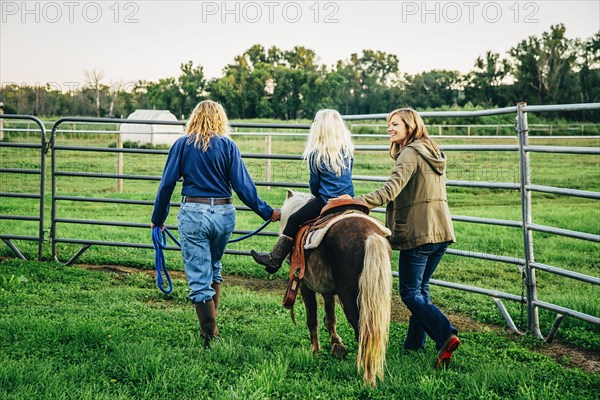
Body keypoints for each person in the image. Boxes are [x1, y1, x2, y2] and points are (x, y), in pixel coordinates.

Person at [151, 100, 280, 348]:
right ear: (220, 119)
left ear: (194, 118)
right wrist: (267, 212)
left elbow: (166, 185)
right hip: (224, 213)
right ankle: (213, 325)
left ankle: (209, 336)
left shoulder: (182, 145)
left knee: (200, 276)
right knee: (214, 266)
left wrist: (158, 219)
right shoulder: (228, 146)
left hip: (194, 213)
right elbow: (243, 187)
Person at [354, 107, 460, 369]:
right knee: (421, 290)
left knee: (410, 293)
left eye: (395, 124)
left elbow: (391, 189)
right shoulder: (432, 149)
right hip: (441, 231)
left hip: (419, 233)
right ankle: (414, 344)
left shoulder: (410, 153)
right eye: (388, 124)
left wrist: (357, 202)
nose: (389, 128)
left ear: (410, 127)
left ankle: (445, 333)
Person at [251, 109, 354, 273]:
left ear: (319, 128)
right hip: (349, 201)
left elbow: (315, 185)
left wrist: (316, 195)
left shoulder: (316, 154)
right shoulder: (347, 151)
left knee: (293, 220)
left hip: (326, 201)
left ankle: (274, 259)